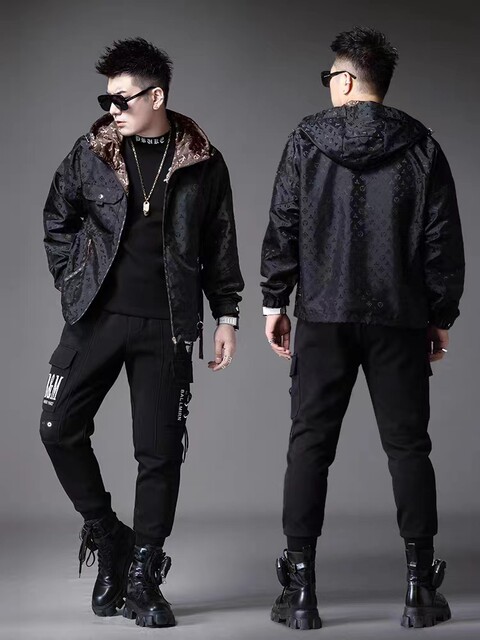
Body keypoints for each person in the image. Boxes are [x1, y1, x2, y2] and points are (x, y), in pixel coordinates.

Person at [260, 26, 464, 630]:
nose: (329, 86)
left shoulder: (306, 140)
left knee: (309, 445)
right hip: (398, 317)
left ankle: (301, 591)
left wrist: (274, 301)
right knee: (409, 447)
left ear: (347, 81)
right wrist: (440, 314)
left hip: (323, 315)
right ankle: (420, 590)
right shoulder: (421, 144)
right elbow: (441, 238)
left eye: (331, 77)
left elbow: (284, 220)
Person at [41, 37, 244, 628]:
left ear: (157, 97)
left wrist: (226, 316)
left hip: (167, 324)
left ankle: (143, 575)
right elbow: (58, 218)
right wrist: (73, 278)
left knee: (158, 454)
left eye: (122, 99)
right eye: (105, 99)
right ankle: (109, 536)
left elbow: (220, 244)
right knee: (58, 428)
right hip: (95, 319)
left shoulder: (203, 161)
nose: (112, 109)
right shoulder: (93, 151)